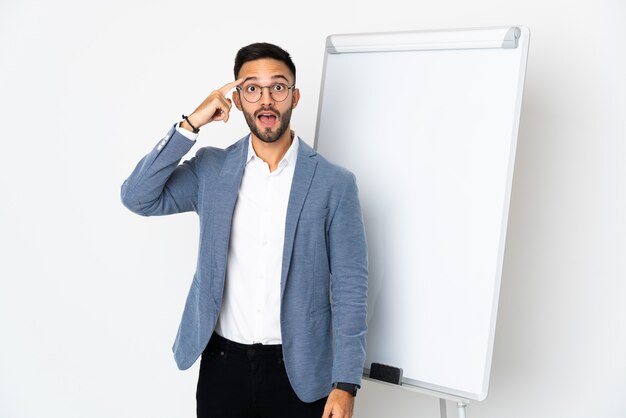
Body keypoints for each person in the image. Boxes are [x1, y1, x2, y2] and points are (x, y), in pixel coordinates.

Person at [121, 42, 368, 418]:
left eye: (278, 87)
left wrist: (346, 382)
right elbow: (138, 197)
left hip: (299, 371)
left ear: (295, 97)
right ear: (236, 99)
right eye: (252, 88)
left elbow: (351, 287)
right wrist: (190, 125)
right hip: (223, 366)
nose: (266, 99)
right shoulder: (211, 170)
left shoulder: (334, 183)